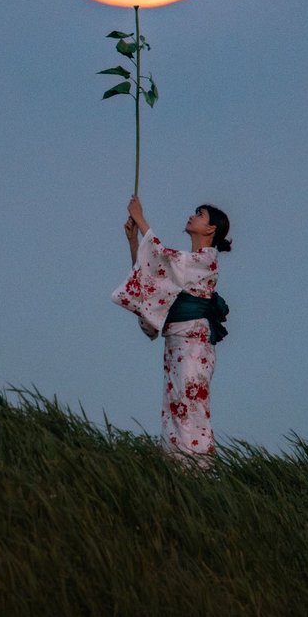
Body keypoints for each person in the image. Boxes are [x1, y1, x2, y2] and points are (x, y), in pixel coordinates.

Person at [111, 195, 231, 463]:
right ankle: (177, 465)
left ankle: (197, 468)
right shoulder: (188, 261)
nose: (192, 216)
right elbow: (152, 275)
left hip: (193, 344)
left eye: (200, 214)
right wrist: (133, 241)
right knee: (176, 406)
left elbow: (163, 260)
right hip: (178, 344)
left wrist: (141, 218)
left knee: (190, 407)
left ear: (210, 229)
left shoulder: (206, 261)